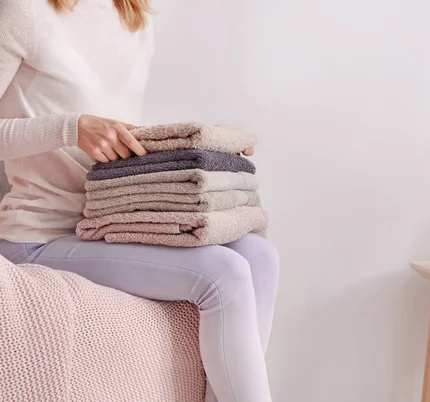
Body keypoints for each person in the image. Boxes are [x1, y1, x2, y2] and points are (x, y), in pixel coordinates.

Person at [0, 1, 279, 401]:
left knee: (260, 256)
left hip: (113, 222)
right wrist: (70, 129)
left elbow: (120, 134)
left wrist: (207, 151)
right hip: (39, 233)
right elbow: (82, 129)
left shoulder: (133, 16)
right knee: (225, 273)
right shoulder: (23, 11)